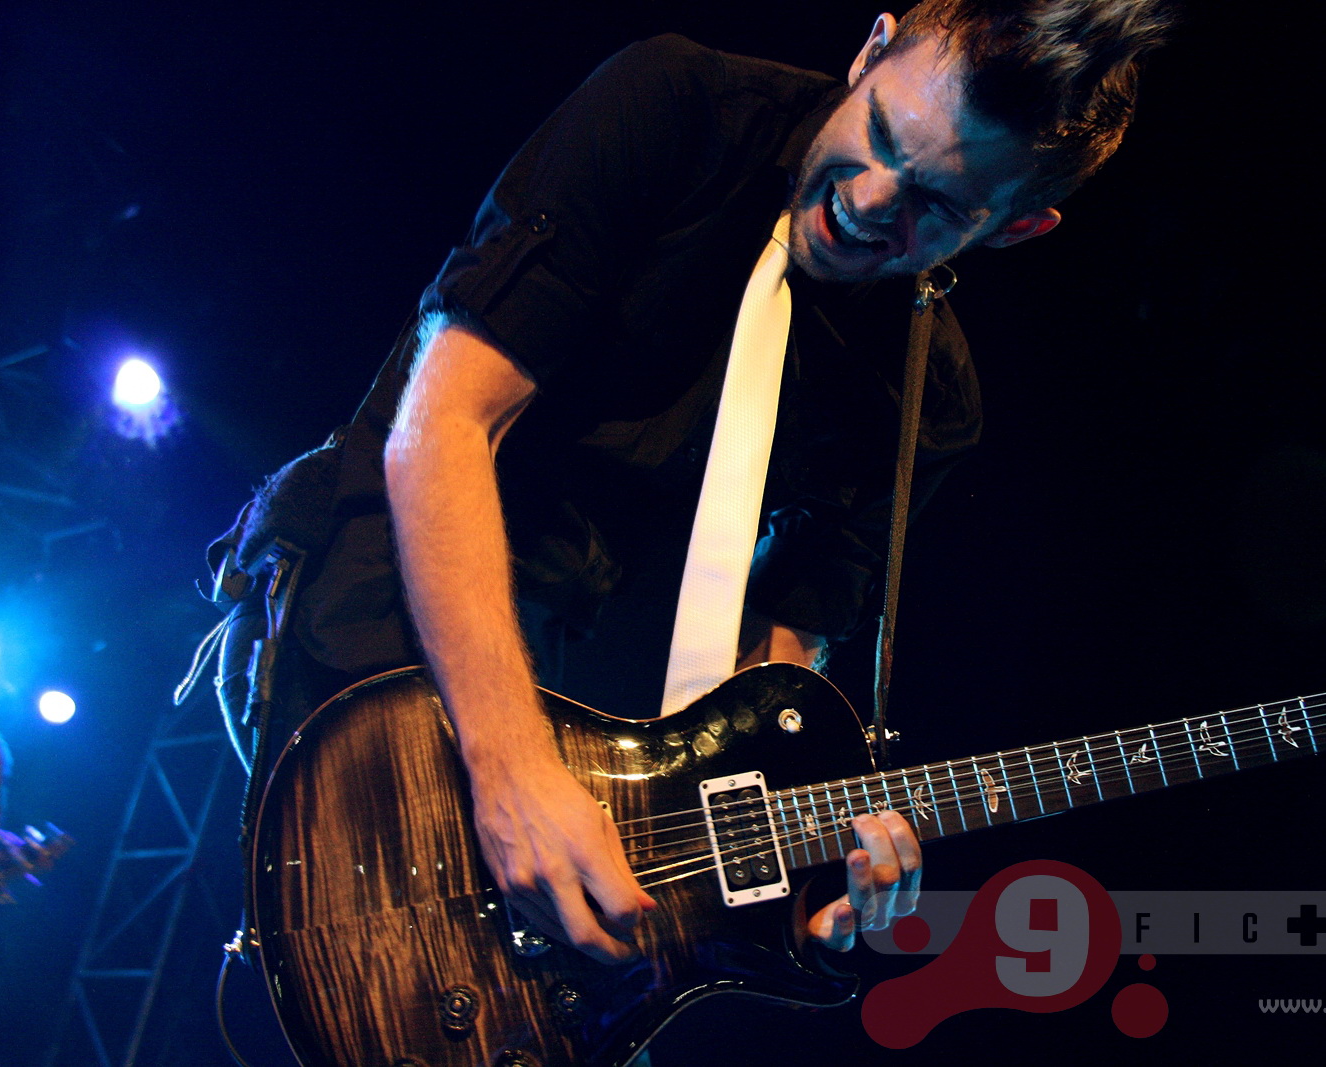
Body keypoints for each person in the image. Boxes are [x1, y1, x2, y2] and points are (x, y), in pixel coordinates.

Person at [217, 0, 1169, 976]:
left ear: (1015, 228)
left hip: (601, 744)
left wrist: (792, 887)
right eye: (883, 133)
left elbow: (774, 671)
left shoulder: (932, 404)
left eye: (939, 203)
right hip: (390, 642)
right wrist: (510, 767)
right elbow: (445, 419)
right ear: (870, 50)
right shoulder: (675, 105)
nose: (871, 198)